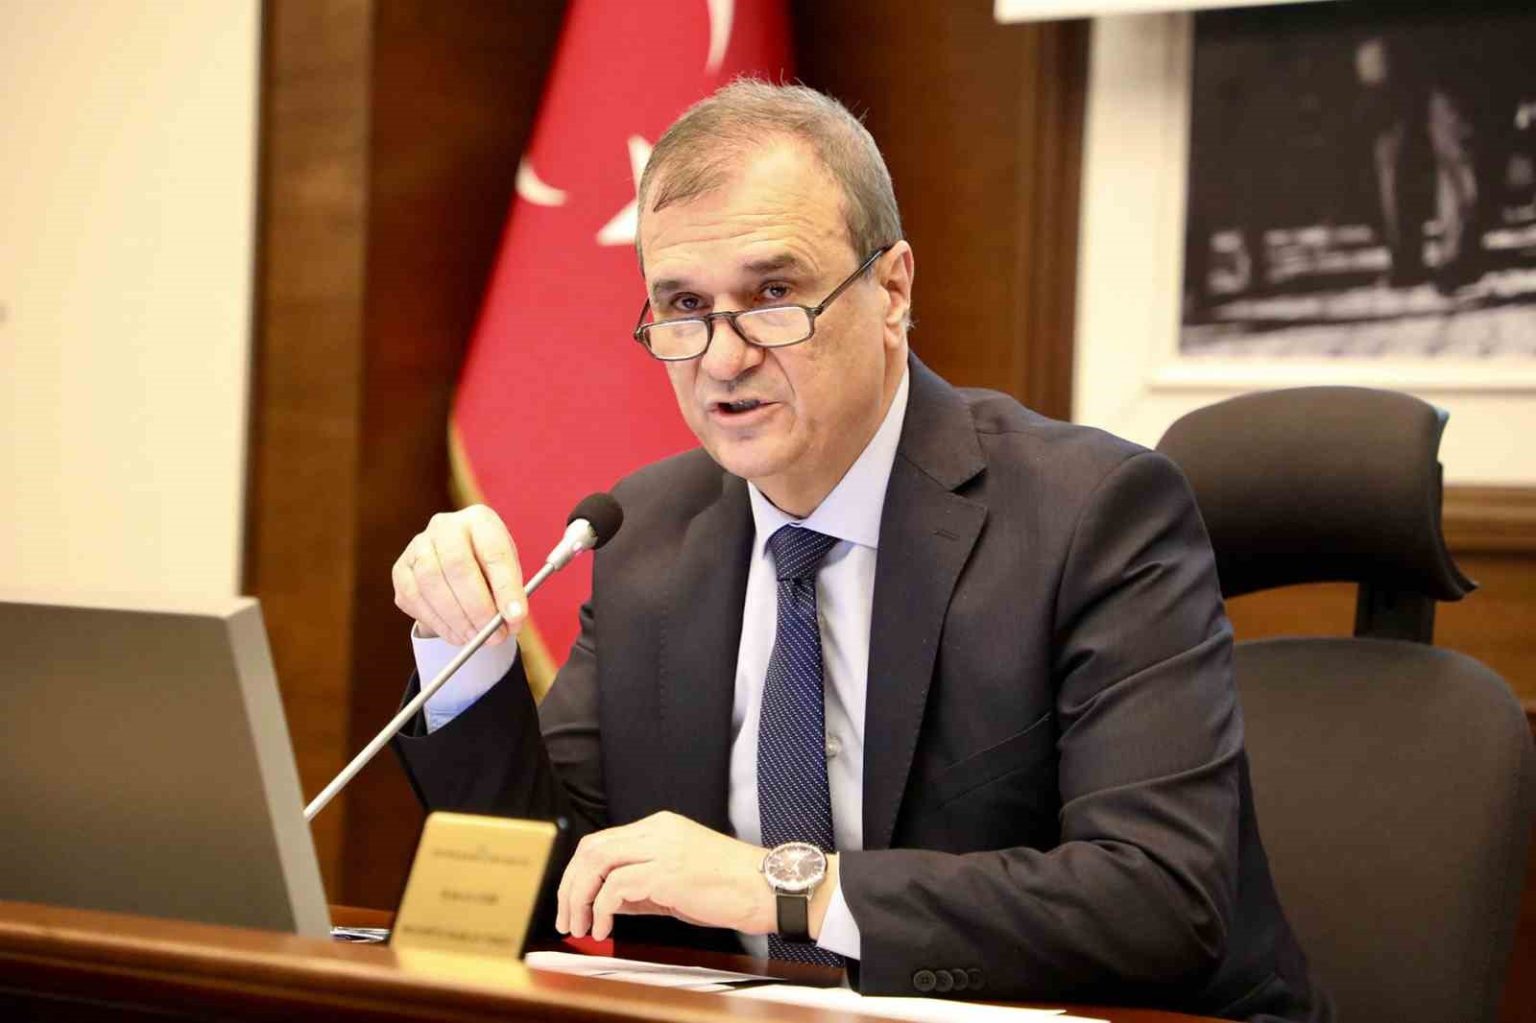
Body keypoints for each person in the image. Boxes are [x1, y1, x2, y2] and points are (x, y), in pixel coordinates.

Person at [389, 81, 1329, 1020]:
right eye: (684, 304)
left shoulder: (1092, 515)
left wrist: (784, 888)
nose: (722, 357)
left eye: (773, 294)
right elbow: (553, 875)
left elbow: (1157, 898)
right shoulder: (650, 532)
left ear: (892, 290)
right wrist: (463, 649)